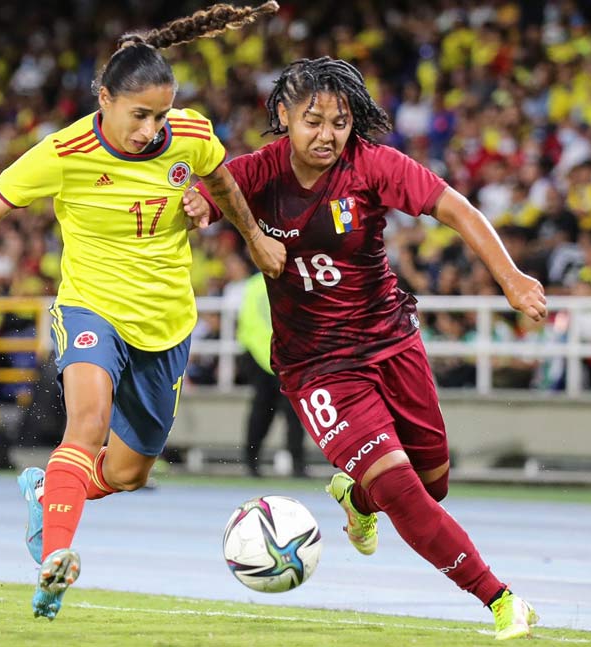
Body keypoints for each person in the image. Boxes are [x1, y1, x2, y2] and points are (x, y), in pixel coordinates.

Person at [0, 2, 284, 620]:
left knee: (127, 472)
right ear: (104, 99)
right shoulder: (64, 152)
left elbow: (225, 182)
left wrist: (250, 235)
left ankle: (50, 490)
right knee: (88, 423)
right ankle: (56, 557)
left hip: (166, 321)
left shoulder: (193, 135)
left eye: (160, 114)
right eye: (139, 115)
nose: (151, 129)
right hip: (90, 309)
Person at [184, 57, 546, 640]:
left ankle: (355, 497)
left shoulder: (373, 165)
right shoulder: (259, 170)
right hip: (317, 365)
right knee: (402, 489)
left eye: (340, 121)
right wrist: (199, 202)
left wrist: (510, 278)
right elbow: (213, 189)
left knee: (431, 484)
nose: (327, 135)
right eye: (313, 121)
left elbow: (455, 208)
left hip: (390, 341)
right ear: (283, 115)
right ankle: (500, 600)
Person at [236, 271, 307, 477]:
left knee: (264, 412)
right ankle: (296, 465)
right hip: (283, 357)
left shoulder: (253, 284)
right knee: (289, 414)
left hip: (265, 356)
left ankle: (252, 462)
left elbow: (248, 323)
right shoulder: (295, 280)